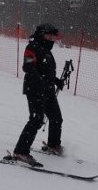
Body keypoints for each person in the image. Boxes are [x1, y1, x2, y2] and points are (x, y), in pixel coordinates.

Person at [10, 23, 66, 166]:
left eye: (54, 36)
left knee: (56, 118)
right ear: (42, 34)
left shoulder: (46, 49)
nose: (53, 39)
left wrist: (56, 80)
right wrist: (40, 81)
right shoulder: (32, 47)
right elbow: (27, 66)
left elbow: (46, 70)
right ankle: (21, 152)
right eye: (50, 35)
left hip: (47, 90)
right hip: (35, 89)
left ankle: (53, 145)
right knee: (36, 120)